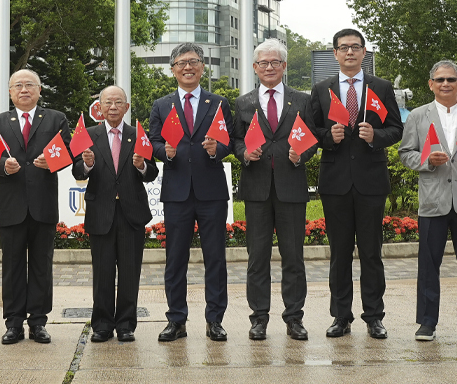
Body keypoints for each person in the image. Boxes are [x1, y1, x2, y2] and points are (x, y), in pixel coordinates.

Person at [308, 28, 402, 339]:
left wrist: (376, 137)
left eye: (355, 47)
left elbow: (396, 128)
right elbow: (311, 130)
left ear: (363, 52)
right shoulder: (322, 89)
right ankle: (341, 316)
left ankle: (374, 317)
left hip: (371, 181)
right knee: (340, 254)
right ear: (335, 53)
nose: (350, 52)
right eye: (344, 47)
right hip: (335, 182)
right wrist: (327, 137)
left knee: (371, 253)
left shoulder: (381, 87)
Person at [399, 60, 457, 343]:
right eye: (440, 80)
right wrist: (427, 161)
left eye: (451, 79)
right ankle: (427, 323)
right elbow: (406, 153)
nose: (445, 84)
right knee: (428, 265)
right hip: (433, 201)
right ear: (431, 84)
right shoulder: (418, 115)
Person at [147, 42, 234, 343]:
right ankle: (176, 320)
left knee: (215, 259)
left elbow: (230, 140)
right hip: (177, 192)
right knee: (175, 259)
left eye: (193, 61)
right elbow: (153, 141)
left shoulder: (218, 103)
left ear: (202, 67)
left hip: (212, 192)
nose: (188, 67)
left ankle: (215, 320)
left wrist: (216, 149)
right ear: (173, 70)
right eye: (181, 63)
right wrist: (165, 152)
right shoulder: (162, 105)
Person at [232, 38, 314, 342]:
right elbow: (235, 140)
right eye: (264, 63)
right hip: (257, 190)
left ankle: (294, 318)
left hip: (291, 188)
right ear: (255, 67)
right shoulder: (243, 103)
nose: (269, 67)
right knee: (257, 259)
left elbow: (312, 138)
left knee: (293, 257)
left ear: (284, 66)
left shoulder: (302, 101)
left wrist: (301, 155)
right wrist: (244, 153)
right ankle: (259, 319)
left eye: (275, 62)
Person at [0, 69, 71, 344]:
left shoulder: (56, 119)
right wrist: (3, 166)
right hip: (12, 206)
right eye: (18, 85)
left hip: (43, 205)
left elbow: (68, 152)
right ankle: (13, 323)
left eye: (29, 84)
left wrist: (52, 162)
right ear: (10, 92)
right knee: (12, 266)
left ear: (39, 90)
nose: (24, 89)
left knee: (42, 266)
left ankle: (38, 322)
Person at [72, 85, 159, 343]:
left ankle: (126, 325)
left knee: (130, 272)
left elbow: (153, 172)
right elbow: (77, 171)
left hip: (132, 213)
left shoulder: (138, 135)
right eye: (108, 103)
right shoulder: (89, 135)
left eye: (118, 102)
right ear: (99, 108)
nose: (113, 107)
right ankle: (101, 325)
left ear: (126, 107)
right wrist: (87, 164)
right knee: (102, 272)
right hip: (101, 212)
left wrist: (142, 166)